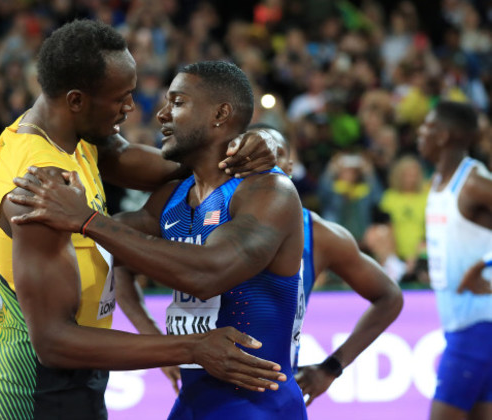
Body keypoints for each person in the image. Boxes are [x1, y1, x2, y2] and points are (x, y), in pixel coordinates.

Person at [0, 20, 285, 420]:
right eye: (120, 98)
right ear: (76, 100)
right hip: (36, 389)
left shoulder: (71, 137)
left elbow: (161, 165)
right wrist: (191, 348)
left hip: (77, 377)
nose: (131, 109)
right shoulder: (42, 188)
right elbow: (53, 341)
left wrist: (259, 142)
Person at [112, 125, 404, 407]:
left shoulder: (321, 235)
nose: (260, 169)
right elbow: (122, 262)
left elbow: (389, 296)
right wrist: (157, 340)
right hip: (197, 386)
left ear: (288, 167)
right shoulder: (199, 208)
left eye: (271, 158)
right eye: (250, 160)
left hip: (265, 393)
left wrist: (332, 366)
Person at [417, 100, 492, 420]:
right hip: (462, 323)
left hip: (478, 326)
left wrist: (484, 265)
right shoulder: (438, 181)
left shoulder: (473, 183)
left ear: (444, 135)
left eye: (427, 126)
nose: (420, 133)